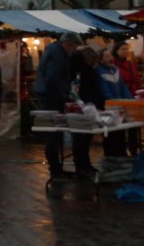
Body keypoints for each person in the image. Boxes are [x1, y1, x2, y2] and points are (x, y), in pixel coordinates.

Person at [33, 31, 84, 178]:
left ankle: (56, 168)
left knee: (54, 133)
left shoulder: (53, 50)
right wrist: (64, 96)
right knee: (53, 133)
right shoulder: (58, 55)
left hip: (48, 95)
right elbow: (54, 79)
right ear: (68, 44)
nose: (74, 50)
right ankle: (55, 169)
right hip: (51, 98)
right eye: (74, 47)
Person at [70, 45, 102, 178]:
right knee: (83, 138)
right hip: (85, 105)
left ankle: (82, 165)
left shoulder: (78, 71)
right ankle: (83, 165)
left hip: (82, 105)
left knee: (80, 138)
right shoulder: (87, 71)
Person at [97, 47, 132, 157]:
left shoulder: (115, 70)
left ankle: (121, 153)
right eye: (106, 56)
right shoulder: (99, 72)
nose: (110, 58)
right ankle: (111, 155)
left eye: (110, 56)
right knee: (109, 133)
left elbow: (122, 86)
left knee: (120, 131)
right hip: (107, 108)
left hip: (120, 106)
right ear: (101, 60)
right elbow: (104, 89)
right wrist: (112, 102)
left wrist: (128, 100)